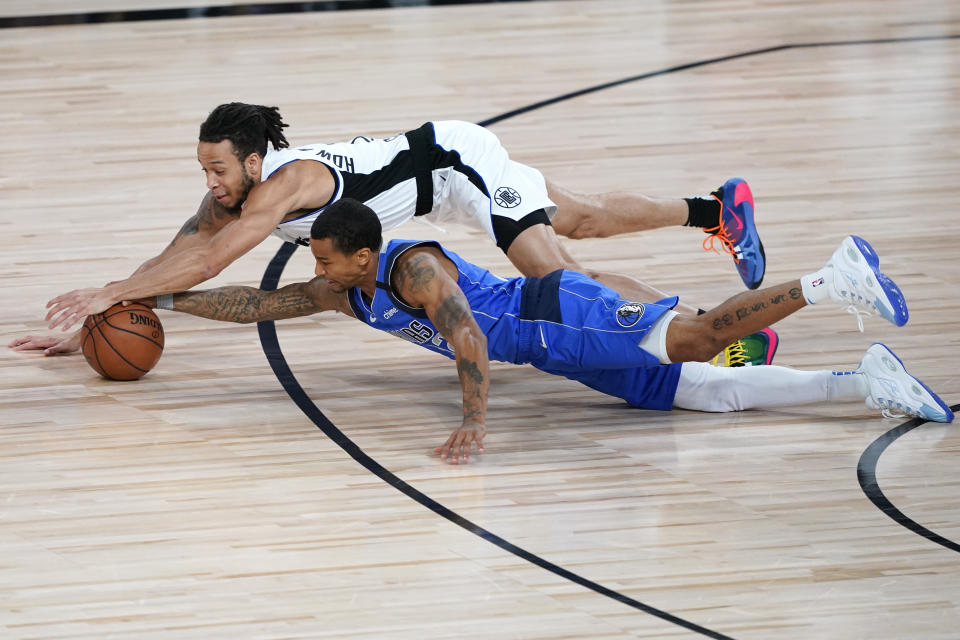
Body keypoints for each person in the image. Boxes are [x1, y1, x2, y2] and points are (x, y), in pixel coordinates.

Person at [142, 199, 953, 464]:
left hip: (560, 316)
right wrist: (164, 307)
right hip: (557, 351)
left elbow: (466, 339)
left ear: (363, 252)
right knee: (710, 394)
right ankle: (864, 381)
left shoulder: (410, 271)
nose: (316, 271)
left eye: (327, 259)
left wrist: (473, 422)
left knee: (700, 340)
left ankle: (831, 278)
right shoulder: (340, 287)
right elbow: (256, 304)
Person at [16, 102, 766, 360]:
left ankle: (712, 332)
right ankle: (716, 210)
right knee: (584, 216)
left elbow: (213, 259)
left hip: (456, 165)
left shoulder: (287, 184)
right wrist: (104, 312)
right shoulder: (233, 190)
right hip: (437, 183)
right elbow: (183, 248)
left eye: (217, 170)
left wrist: (110, 293)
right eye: (203, 171)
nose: (209, 184)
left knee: (556, 277)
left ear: (252, 159)